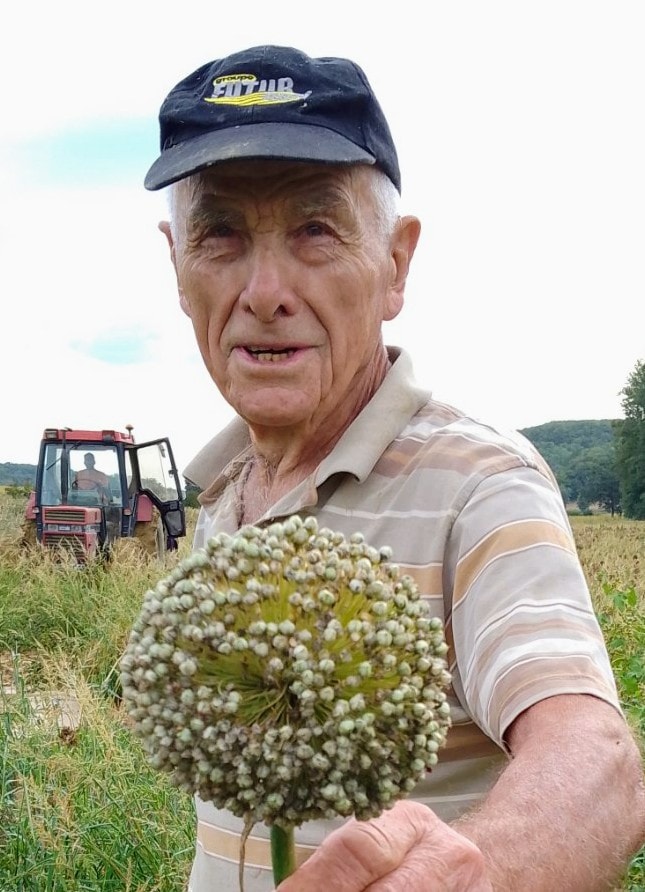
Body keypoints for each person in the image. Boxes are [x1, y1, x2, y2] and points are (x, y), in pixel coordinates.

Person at [144, 45, 645, 891]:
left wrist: (475, 873)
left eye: (314, 229)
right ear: (178, 267)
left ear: (395, 264)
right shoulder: (222, 496)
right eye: (221, 234)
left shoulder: (481, 484)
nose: (265, 289)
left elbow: (596, 763)